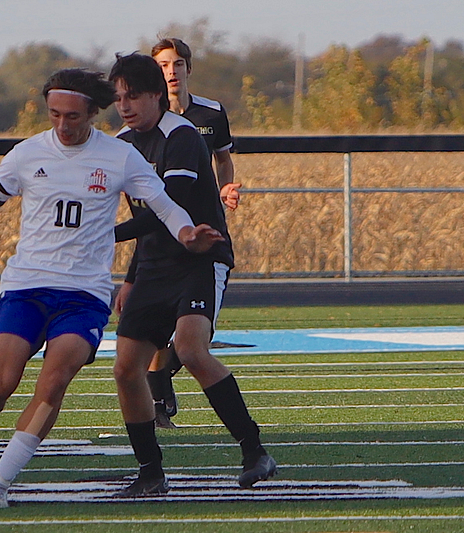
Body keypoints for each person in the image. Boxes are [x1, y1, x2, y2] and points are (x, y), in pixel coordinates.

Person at [0, 68, 223, 509]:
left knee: (54, 382)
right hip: (26, 287)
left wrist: (188, 234)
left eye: (73, 116)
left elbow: (165, 205)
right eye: (54, 114)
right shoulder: (26, 154)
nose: (62, 124)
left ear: (93, 113)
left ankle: (0, 482)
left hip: (84, 296)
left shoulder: (119, 156)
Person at [108, 53, 276, 497]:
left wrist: (106, 234)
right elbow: (141, 217)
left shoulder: (180, 135)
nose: (124, 106)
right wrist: (131, 277)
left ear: (156, 95)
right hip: (154, 264)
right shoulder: (120, 143)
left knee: (190, 348)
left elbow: (171, 205)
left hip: (200, 257)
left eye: (133, 96)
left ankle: (254, 449)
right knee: (126, 368)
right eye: (119, 97)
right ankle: (151, 473)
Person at [147, 37, 243, 428]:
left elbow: (223, 159)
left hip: (206, 237)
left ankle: (159, 381)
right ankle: (157, 404)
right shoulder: (142, 123)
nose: (171, 72)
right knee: (153, 330)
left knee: (194, 338)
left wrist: (225, 189)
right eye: (162, 66)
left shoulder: (211, 113)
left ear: (188, 68)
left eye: (177, 64)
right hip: (162, 239)